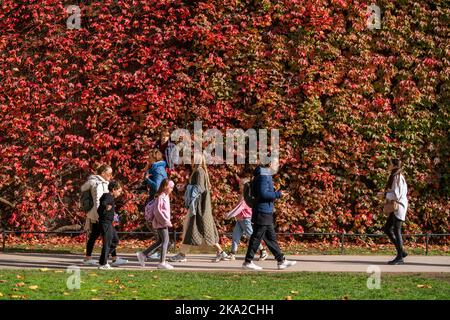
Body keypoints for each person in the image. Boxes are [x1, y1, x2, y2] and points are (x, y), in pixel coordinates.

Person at [169, 153, 230, 263]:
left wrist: (186, 187)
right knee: (203, 230)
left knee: (192, 229)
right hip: (200, 207)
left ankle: (182, 254)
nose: (190, 160)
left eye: (192, 158)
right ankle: (221, 253)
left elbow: (199, 189)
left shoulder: (199, 172)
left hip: (198, 207)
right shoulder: (199, 171)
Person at [242, 160, 296, 270]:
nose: (278, 166)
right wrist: (278, 194)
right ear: (270, 164)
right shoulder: (263, 175)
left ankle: (281, 261)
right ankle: (248, 261)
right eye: (276, 164)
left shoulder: (263, 174)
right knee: (256, 237)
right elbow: (263, 194)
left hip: (265, 210)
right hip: (262, 211)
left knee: (271, 237)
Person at [81, 165, 127, 266]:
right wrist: (101, 213)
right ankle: (104, 260)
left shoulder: (102, 183)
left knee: (103, 236)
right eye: (109, 173)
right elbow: (98, 200)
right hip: (99, 215)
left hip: (100, 215)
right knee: (107, 238)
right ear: (102, 173)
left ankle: (108, 258)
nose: (111, 176)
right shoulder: (99, 184)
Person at [225, 177, 268, 261]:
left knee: (251, 236)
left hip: (246, 219)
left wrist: (229, 215)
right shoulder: (241, 195)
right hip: (240, 220)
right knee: (235, 236)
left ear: (246, 186)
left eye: (241, 184)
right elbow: (237, 207)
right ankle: (232, 253)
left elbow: (239, 208)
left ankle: (263, 251)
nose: (239, 186)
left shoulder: (246, 196)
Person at [136, 179, 175, 269]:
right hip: (161, 223)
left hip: (162, 222)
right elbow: (157, 211)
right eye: (171, 187)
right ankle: (162, 262)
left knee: (161, 241)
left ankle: (143, 254)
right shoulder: (160, 197)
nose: (172, 189)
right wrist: (165, 221)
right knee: (166, 241)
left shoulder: (165, 196)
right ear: (166, 187)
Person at [377, 158, 409, 265]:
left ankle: (400, 257)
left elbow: (397, 195)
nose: (388, 165)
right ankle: (402, 252)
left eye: (390, 164)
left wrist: (384, 195)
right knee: (387, 228)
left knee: (397, 230)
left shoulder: (398, 177)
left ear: (395, 166)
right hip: (395, 207)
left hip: (399, 206)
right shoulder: (394, 176)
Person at [97, 181, 124, 270]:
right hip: (105, 223)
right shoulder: (108, 196)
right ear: (113, 190)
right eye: (119, 191)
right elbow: (103, 203)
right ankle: (103, 263)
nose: (120, 194)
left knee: (115, 240)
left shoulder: (110, 197)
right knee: (107, 242)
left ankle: (103, 259)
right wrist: (106, 206)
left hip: (109, 223)